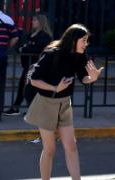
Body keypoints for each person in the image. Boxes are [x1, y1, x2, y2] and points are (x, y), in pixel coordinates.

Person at [24, 24, 103, 180]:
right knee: (49, 149)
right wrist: (55, 87)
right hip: (46, 103)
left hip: (65, 104)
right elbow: (33, 80)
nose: (86, 44)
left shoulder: (79, 55)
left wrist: (92, 78)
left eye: (87, 40)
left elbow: (83, 77)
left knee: (71, 146)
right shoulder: (52, 54)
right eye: (84, 40)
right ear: (73, 40)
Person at [4, 15, 53, 116]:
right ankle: (22, 107)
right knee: (26, 86)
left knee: (29, 87)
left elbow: (38, 48)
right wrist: (22, 48)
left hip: (37, 65)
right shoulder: (31, 34)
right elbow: (23, 45)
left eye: (34, 20)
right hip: (28, 64)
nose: (32, 22)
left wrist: (25, 49)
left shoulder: (44, 36)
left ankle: (25, 108)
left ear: (41, 22)